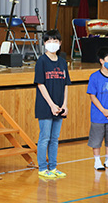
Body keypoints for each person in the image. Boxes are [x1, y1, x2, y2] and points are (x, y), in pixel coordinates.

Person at [34, 29, 71, 178]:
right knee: (45, 137)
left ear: (60, 43)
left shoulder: (62, 62)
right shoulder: (41, 61)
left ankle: (53, 167)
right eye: (49, 41)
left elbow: (66, 84)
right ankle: (43, 168)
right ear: (44, 44)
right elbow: (40, 84)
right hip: (45, 106)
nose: (52, 44)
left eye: (55, 41)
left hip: (59, 107)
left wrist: (64, 105)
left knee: (55, 138)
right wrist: (51, 105)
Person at [87, 46, 108, 170]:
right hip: (99, 115)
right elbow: (92, 96)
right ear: (102, 61)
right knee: (96, 139)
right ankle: (97, 161)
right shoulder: (94, 77)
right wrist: (103, 110)